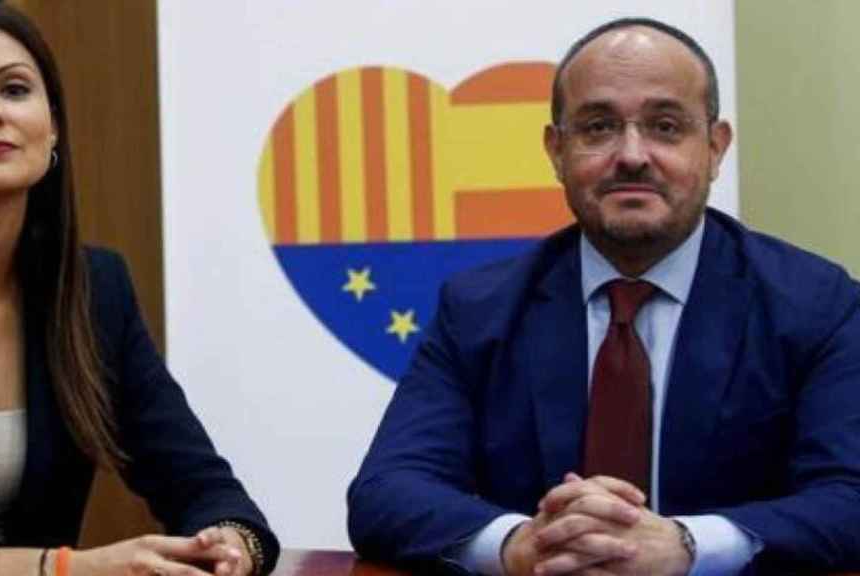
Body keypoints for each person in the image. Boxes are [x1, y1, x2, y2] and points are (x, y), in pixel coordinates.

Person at [348, 17, 860, 576]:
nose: (632, 154)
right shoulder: (480, 307)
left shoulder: (816, 303)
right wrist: (520, 544)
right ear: (556, 150)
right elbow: (387, 491)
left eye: (665, 126)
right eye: (598, 127)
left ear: (715, 147)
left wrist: (686, 546)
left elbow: (849, 496)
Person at [0, 2, 278, 575]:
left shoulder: (96, 290)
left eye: (15, 89)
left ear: (52, 130)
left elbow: (200, 482)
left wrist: (230, 542)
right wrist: (62, 569)